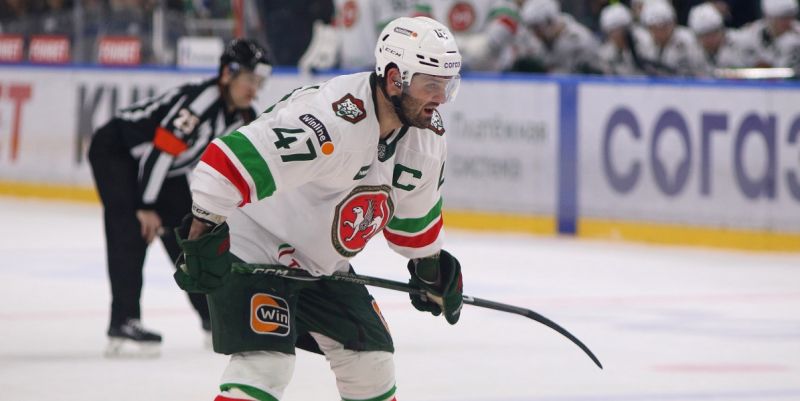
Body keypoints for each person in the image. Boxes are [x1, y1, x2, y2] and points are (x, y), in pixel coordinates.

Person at [175, 16, 465, 401]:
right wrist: (201, 235)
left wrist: (430, 270)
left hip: (322, 264)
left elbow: (413, 222)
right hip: (253, 245)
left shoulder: (426, 138)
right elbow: (223, 166)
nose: (441, 98)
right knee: (265, 366)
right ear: (395, 78)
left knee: (372, 364)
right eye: (431, 85)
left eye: (447, 85)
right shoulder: (330, 122)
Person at [88, 38, 272, 357]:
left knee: (191, 235)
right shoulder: (200, 103)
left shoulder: (243, 115)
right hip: (117, 153)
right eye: (249, 79)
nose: (254, 90)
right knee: (131, 230)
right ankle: (124, 321)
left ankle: (212, 317)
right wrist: (145, 206)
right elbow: (158, 154)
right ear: (227, 74)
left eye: (259, 82)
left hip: (161, 168)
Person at [513, 0, 601, 74]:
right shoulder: (535, 39)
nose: (535, 34)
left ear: (550, 22)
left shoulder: (579, 40)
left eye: (537, 28)